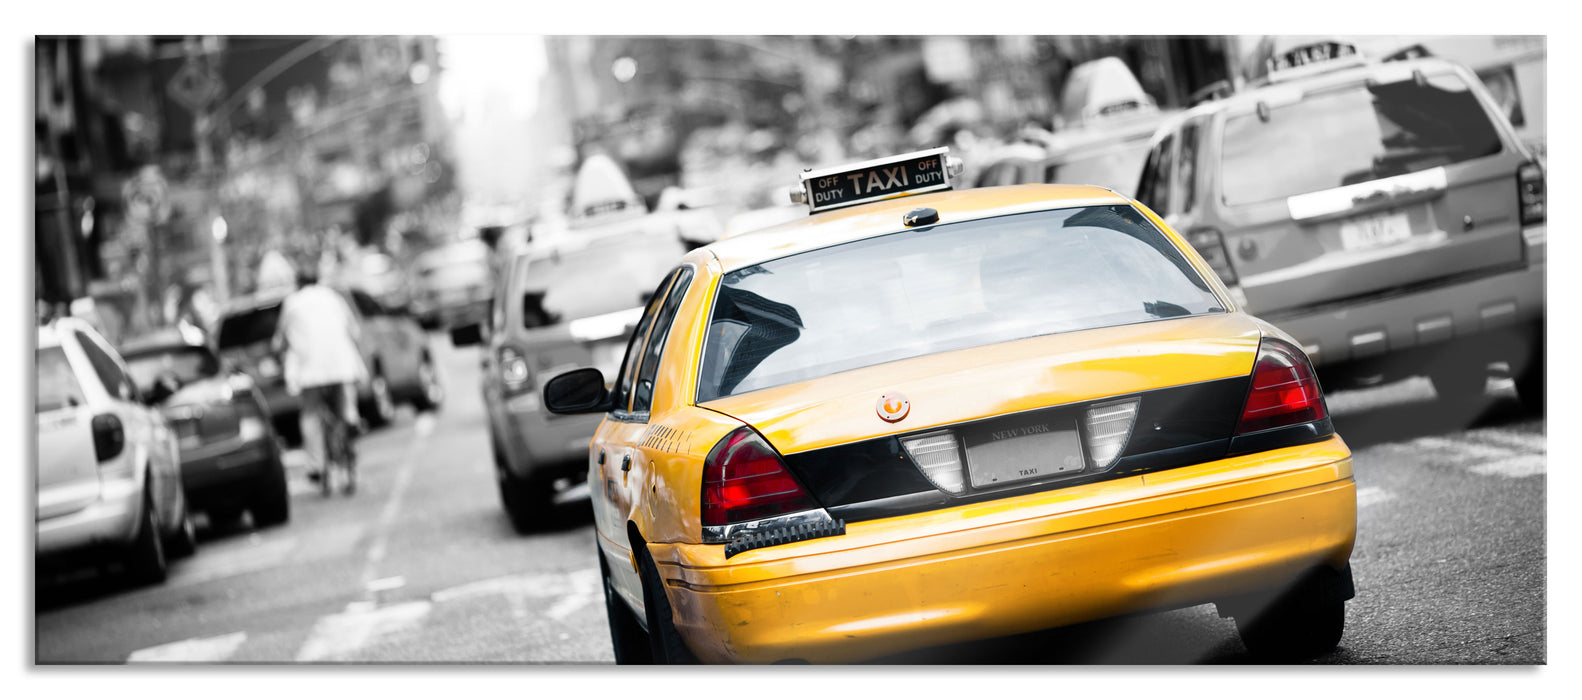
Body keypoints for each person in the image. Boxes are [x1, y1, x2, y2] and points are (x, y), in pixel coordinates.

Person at [272, 266, 367, 494]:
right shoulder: (332, 297)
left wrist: (279, 353)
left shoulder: (292, 303)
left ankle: (316, 464)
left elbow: (279, 341)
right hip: (341, 364)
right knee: (345, 402)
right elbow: (354, 331)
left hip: (309, 370)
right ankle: (350, 420)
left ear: (297, 282)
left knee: (311, 414)